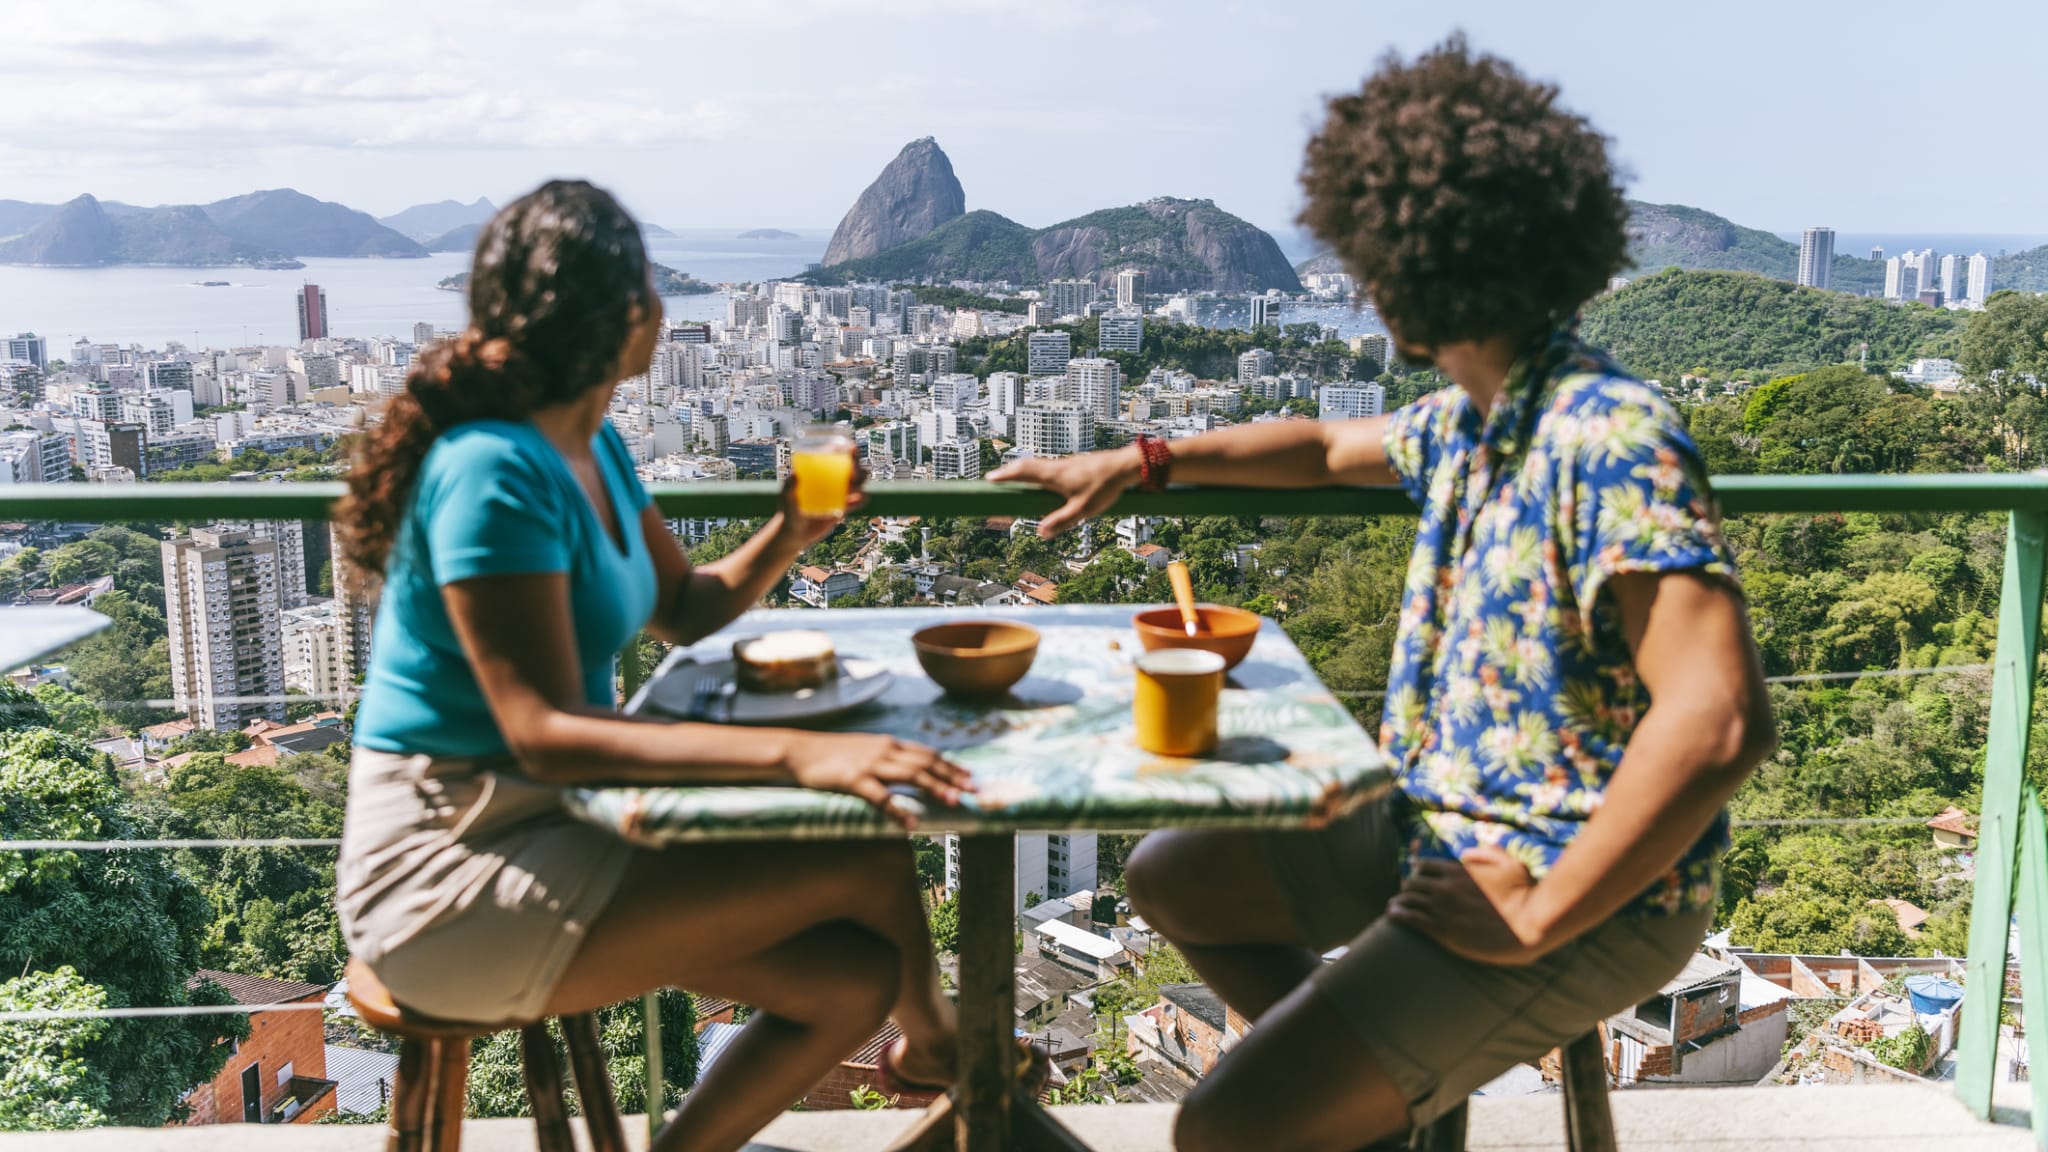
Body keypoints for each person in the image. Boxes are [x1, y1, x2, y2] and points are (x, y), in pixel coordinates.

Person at [990, 37, 1776, 1152]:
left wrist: (1539, 910)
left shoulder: (1605, 435)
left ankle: (1361, 1085)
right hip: (1430, 823)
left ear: (1415, 266)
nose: (1359, 285)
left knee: (1223, 1129)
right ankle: (1389, 1094)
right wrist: (1145, 459)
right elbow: (1318, 448)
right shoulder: (1468, 418)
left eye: (1367, 260)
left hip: (1575, 884)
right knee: (1173, 875)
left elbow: (1721, 720)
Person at [334, 181, 964, 1152]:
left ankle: (933, 1049)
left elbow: (685, 610)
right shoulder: (492, 470)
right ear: (625, 317)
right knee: (862, 849)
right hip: (447, 868)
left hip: (558, 824)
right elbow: (542, 735)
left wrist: (791, 531)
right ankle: (948, 1054)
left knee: (852, 978)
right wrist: (804, 756)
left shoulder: (593, 447)